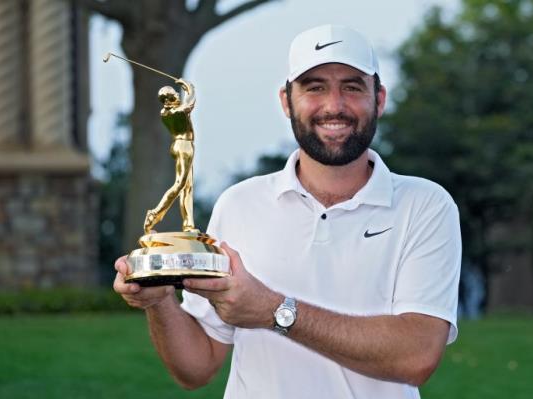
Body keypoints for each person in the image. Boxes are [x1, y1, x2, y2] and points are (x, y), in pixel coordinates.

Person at [114, 25, 461, 398]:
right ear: (286, 100)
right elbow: (196, 367)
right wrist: (160, 302)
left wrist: (274, 311)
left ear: (379, 99)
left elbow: (417, 356)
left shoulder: (425, 204)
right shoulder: (239, 203)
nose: (334, 105)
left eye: (352, 86)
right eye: (314, 87)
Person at [144, 79, 196, 233]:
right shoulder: (176, 112)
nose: (177, 97)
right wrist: (188, 86)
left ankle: (188, 224)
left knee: (188, 187)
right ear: (167, 100)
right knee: (180, 184)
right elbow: (191, 102)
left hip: (181, 146)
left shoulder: (165, 112)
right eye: (174, 96)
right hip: (184, 146)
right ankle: (154, 215)